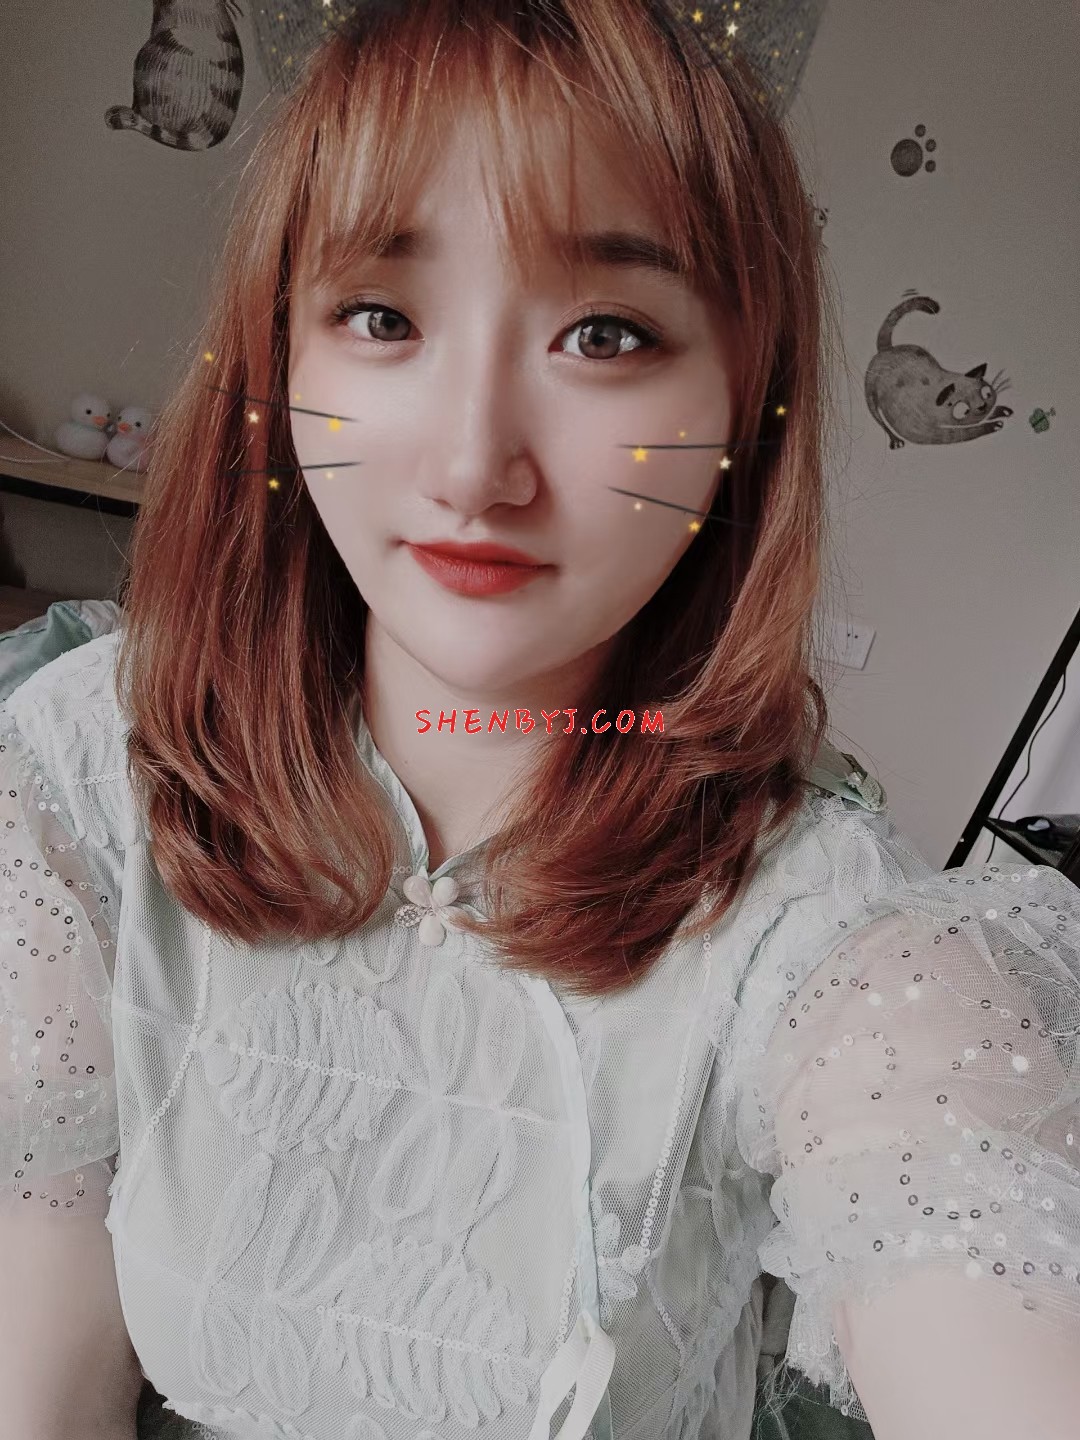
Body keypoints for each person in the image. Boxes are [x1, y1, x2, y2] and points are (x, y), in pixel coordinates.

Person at [2, 2, 1078, 1438]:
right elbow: (46, 1354)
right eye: (381, 318)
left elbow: (963, 1245)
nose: (472, 466)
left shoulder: (824, 941)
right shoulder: (96, 771)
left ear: (746, 409)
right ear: (281, 360)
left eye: (605, 334)